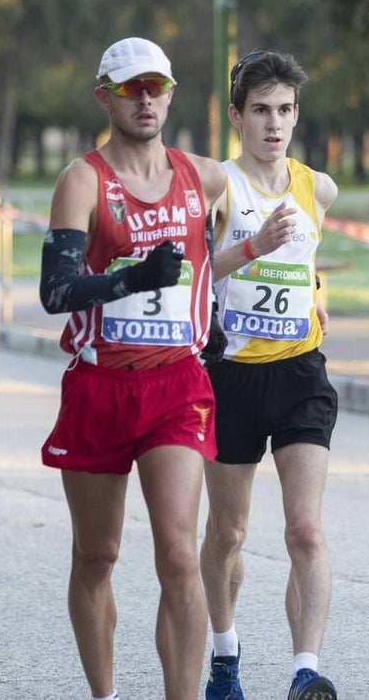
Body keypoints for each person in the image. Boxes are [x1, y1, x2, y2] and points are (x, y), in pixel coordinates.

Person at [37, 37, 228, 700]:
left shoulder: (206, 177)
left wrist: (215, 316)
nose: (145, 99)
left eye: (156, 87)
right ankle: (106, 693)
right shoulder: (83, 180)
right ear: (105, 97)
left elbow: (221, 246)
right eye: (130, 88)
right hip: (100, 386)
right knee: (98, 554)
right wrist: (131, 279)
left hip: (177, 384)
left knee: (178, 554)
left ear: (171, 95)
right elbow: (55, 291)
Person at [199, 50, 340, 700]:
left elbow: (306, 261)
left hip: (299, 372)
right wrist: (252, 247)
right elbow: (192, 272)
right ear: (237, 117)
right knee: (228, 532)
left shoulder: (319, 188)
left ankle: (305, 670)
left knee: (305, 529)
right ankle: (225, 655)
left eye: (284, 110)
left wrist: (316, 293)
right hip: (230, 376)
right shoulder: (218, 186)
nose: (274, 123)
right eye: (260, 110)